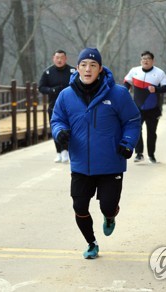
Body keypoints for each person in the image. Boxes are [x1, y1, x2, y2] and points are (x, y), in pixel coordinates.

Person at [50, 48, 141, 259]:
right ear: (77, 68)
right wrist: (59, 132)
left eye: (92, 65)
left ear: (100, 69)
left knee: (108, 206)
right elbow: (57, 119)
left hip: (111, 162)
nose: (87, 69)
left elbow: (132, 120)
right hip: (81, 162)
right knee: (79, 205)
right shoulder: (66, 95)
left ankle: (110, 216)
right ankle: (92, 243)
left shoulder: (117, 93)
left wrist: (127, 142)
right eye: (83, 65)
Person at [123, 51, 166, 164]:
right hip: (137, 108)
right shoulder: (135, 71)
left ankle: (151, 155)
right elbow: (127, 82)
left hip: (153, 108)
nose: (145, 60)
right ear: (141, 60)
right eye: (143, 58)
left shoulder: (159, 73)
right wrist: (125, 91)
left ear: (152, 61)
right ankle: (139, 154)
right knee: (137, 130)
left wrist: (156, 89)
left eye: (148, 58)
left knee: (151, 132)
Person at [38, 49, 76, 163]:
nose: (59, 60)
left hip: (70, 105)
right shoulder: (48, 72)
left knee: (68, 127)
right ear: (53, 58)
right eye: (57, 58)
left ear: (66, 59)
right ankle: (58, 152)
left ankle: (66, 151)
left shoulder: (72, 71)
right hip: (54, 105)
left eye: (62, 58)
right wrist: (52, 90)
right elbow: (41, 87)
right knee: (56, 127)